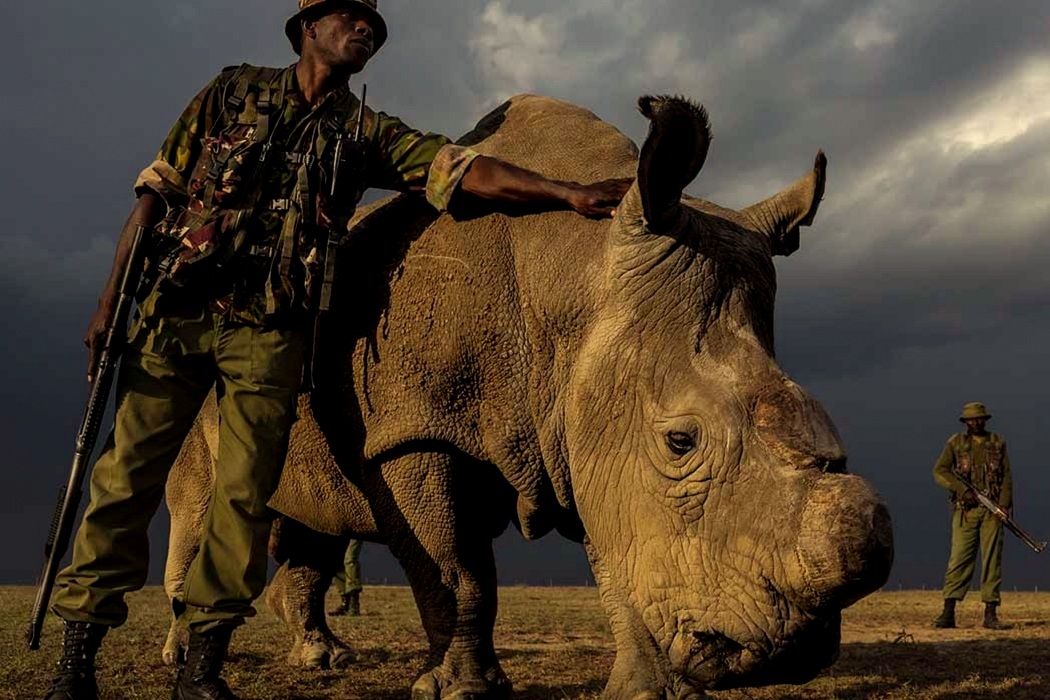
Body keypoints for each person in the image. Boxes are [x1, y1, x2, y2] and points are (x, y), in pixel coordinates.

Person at [41, 1, 631, 698]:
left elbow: (462, 171)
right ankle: (77, 661)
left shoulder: (366, 132)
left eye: (374, 27)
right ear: (309, 28)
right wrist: (111, 302)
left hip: (271, 335)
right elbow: (156, 196)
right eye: (352, 19)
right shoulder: (231, 90)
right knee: (123, 484)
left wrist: (568, 192)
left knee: (243, 498)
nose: (366, 32)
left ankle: (202, 669)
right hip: (175, 314)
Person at [932, 401, 1013, 630]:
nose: (975, 422)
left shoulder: (998, 442)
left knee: (992, 561)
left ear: (985, 420)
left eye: (979, 418)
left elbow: (1006, 476)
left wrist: (1004, 506)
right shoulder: (955, 443)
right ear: (965, 422)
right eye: (971, 419)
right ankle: (948, 612)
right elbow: (940, 471)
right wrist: (962, 490)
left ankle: (990, 613)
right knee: (959, 559)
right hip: (965, 512)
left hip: (993, 510)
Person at [328, 539, 363, 616]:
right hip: (340, 532)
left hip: (355, 530)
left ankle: (353, 603)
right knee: (336, 561)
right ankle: (346, 603)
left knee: (350, 559)